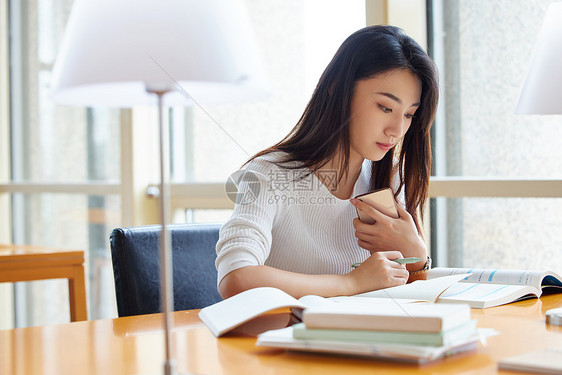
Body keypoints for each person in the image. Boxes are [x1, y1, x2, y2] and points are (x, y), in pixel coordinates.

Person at [216, 25, 439, 299]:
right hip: (288, 339)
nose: (397, 130)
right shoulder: (269, 175)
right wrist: (351, 284)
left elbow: (413, 301)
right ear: (337, 89)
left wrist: (417, 256)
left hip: (365, 338)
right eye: (385, 107)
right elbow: (236, 279)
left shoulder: (388, 180)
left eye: (409, 115)